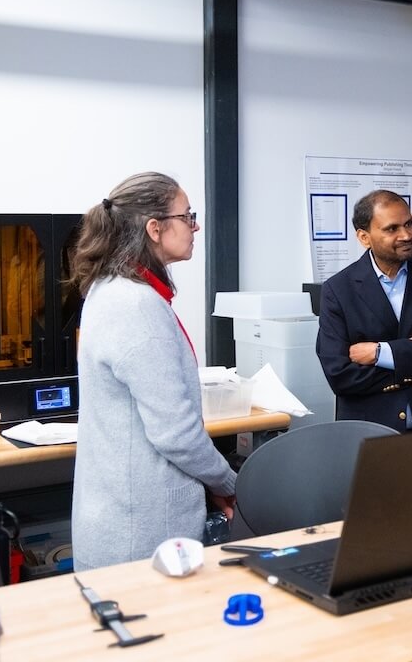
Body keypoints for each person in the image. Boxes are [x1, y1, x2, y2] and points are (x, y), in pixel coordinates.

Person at [69, 172, 236, 570]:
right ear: (155, 229)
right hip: (141, 534)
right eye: (187, 216)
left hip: (120, 518)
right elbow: (176, 434)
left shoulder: (109, 288)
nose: (195, 227)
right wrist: (228, 482)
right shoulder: (138, 305)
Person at [316, 189, 412, 431]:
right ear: (364, 237)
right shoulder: (338, 290)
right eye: (392, 229)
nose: (406, 235)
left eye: (408, 224)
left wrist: (381, 353)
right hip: (370, 429)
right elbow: (340, 376)